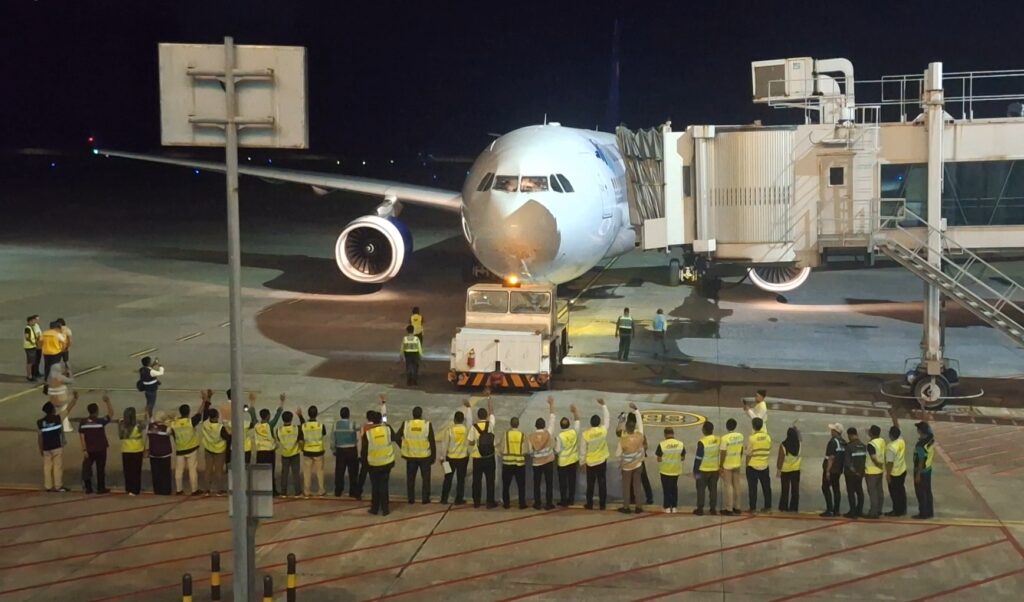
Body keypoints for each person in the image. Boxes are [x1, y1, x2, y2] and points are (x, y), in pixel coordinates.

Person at [38, 392, 78, 492]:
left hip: (46, 447)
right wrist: (75, 399)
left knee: (47, 467)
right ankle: (58, 485)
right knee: (57, 467)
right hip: (56, 446)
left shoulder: (40, 422)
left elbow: (39, 437)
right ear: (52, 410)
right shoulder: (57, 418)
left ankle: (48, 486)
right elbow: (68, 409)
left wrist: (40, 448)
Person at [170, 391, 209, 495]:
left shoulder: (174, 423)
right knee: (192, 470)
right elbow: (199, 414)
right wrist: (204, 401)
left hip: (180, 449)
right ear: (188, 412)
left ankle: (179, 490)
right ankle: (194, 489)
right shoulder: (190, 422)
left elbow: (173, 434)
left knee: (179, 471)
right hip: (191, 449)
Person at [397, 406, 436, 504]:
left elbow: (396, 437)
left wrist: (403, 446)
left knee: (410, 479)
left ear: (413, 414)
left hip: (410, 456)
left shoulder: (406, 424)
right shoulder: (427, 425)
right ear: (421, 414)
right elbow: (432, 442)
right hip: (424, 456)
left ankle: (411, 499)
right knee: (426, 479)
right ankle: (425, 498)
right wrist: (433, 456)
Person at [362, 410, 397, 516]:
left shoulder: (368, 433)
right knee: (384, 486)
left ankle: (375, 508)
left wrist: (364, 464)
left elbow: (364, 450)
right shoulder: (387, 429)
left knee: (375, 486)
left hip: (373, 464)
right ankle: (385, 509)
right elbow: (395, 438)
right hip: (387, 462)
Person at [579, 398, 611, 510]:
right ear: (599, 423)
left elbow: (583, 450)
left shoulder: (586, 434)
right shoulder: (603, 430)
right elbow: (607, 420)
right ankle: (602, 504)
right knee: (602, 483)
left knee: (590, 484)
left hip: (591, 462)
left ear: (591, 423)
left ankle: (590, 503)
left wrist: (582, 462)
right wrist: (604, 406)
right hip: (602, 460)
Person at [79, 394, 114, 494]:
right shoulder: (100, 421)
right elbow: (111, 414)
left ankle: (88, 488)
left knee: (87, 468)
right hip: (101, 448)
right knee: (100, 469)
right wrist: (107, 401)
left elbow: (81, 436)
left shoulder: (83, 422)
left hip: (89, 449)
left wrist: (84, 449)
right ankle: (101, 487)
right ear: (97, 411)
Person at [468, 397, 498, 508]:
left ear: (478, 416)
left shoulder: (473, 427)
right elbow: (492, 413)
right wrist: (489, 399)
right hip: (489, 456)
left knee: (477, 480)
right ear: (486, 416)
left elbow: (470, 442)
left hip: (477, 457)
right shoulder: (490, 425)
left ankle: (476, 502)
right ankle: (490, 502)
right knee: (490, 480)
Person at [616, 404, 646, 514]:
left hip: (627, 467)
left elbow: (618, 453)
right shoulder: (639, 435)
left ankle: (626, 507)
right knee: (637, 486)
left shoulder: (623, 439)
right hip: (638, 464)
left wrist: (621, 420)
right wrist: (637, 410)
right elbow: (641, 424)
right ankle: (638, 507)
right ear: (634, 428)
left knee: (626, 487)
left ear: (626, 428)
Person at [528, 397, 557, 510]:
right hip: (548, 462)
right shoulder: (548, 433)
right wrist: (551, 404)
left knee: (537, 484)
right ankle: (549, 503)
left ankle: (537, 503)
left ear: (535, 426)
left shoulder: (531, 437)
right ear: (544, 426)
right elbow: (553, 419)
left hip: (536, 464)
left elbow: (530, 452)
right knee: (549, 484)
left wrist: (535, 456)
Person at [255, 394, 286, 496]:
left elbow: (251, 413)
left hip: (260, 451)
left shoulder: (256, 424)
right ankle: (272, 490)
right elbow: (278, 414)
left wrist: (252, 401)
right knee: (270, 472)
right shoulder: (270, 425)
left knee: (260, 472)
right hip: (269, 452)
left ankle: (260, 490)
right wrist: (282, 401)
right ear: (268, 416)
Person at [439, 405, 470, 505]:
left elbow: (445, 445)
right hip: (462, 458)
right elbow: (470, 421)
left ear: (454, 419)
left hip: (450, 459)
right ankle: (459, 499)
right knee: (461, 480)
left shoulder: (449, 430)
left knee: (448, 478)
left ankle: (444, 498)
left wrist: (442, 458)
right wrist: (469, 408)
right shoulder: (466, 430)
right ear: (462, 420)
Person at [298, 405, 327, 498]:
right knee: (320, 472)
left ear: (308, 414)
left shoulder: (304, 426)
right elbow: (323, 433)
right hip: (318, 451)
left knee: (307, 473)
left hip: (307, 451)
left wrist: (302, 448)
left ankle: (306, 491)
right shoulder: (320, 426)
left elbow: (301, 438)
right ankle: (321, 490)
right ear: (316, 414)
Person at [555, 404, 581, 507]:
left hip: (563, 462)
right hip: (573, 460)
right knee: (572, 481)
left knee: (563, 483)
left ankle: (563, 500)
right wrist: (575, 412)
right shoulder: (574, 432)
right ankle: (571, 499)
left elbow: (557, 450)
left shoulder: (559, 436)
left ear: (560, 425)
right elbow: (577, 422)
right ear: (569, 425)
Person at [201, 405, 230, 495]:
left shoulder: (205, 423)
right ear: (217, 416)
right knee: (218, 471)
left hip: (208, 449)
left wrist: (207, 400)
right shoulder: (220, 427)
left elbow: (204, 414)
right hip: (219, 451)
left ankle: (206, 490)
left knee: (208, 470)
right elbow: (227, 437)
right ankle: (219, 490)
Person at [332, 404, 360, 498]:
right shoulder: (353, 423)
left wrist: (334, 449)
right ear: (348, 414)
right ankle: (353, 491)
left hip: (340, 450)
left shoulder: (335, 424)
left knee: (339, 472)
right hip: (351, 450)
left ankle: (338, 491)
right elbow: (360, 431)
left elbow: (333, 438)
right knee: (353, 472)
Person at [500, 417, 528, 509]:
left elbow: (501, 449)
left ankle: (506, 504)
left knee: (506, 485)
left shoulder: (506, 435)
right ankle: (522, 503)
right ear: (518, 424)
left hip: (507, 463)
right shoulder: (522, 435)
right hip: (519, 464)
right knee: (521, 485)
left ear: (510, 424)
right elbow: (525, 450)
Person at [693, 421, 720, 515]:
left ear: (703, 430)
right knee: (713, 490)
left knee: (700, 489)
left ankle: (700, 509)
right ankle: (713, 509)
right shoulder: (718, 439)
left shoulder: (702, 442)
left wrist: (695, 470)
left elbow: (698, 458)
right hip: (715, 469)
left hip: (703, 470)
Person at [746, 417, 772, 512]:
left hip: (753, 466)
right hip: (764, 465)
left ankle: (752, 507)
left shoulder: (752, 438)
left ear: (753, 426)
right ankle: (768, 506)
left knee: (753, 488)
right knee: (766, 488)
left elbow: (748, 453)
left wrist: (746, 465)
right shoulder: (767, 437)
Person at [655, 427, 685, 513]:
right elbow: (682, 458)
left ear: (665, 434)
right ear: (673, 433)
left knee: (666, 489)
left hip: (665, 470)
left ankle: (667, 507)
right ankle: (674, 506)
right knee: (674, 488)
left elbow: (659, 459)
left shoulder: (662, 445)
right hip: (675, 470)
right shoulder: (680, 444)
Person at [719, 418, 745, 515]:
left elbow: (723, 453)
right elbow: (741, 450)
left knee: (728, 485)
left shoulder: (725, 438)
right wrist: (739, 458)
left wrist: (721, 465)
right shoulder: (740, 436)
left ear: (727, 426)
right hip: (737, 463)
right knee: (737, 485)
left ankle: (729, 508)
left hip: (727, 464)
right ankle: (737, 507)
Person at [885, 410, 908, 517]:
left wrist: (888, 475)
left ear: (890, 435)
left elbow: (889, 463)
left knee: (895, 493)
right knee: (901, 491)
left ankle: (896, 510)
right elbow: (897, 427)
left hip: (895, 473)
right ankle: (903, 509)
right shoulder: (901, 440)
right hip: (902, 470)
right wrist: (894, 417)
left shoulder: (891, 447)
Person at [820, 423, 846, 517]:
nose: (831, 431)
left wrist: (827, 471)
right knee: (836, 489)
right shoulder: (843, 442)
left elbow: (831, 457)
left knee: (825, 487)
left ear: (836, 432)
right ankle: (836, 510)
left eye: (832, 430)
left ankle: (830, 509)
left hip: (831, 469)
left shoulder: (833, 442)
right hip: (838, 469)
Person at [118, 406, 145, 495]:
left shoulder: (122, 425)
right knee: (136, 471)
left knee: (128, 471)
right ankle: (135, 489)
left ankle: (129, 488)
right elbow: (145, 424)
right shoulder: (138, 425)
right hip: (137, 450)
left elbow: (120, 436)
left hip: (126, 450)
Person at [912, 420, 935, 519]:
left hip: (921, 471)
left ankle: (923, 513)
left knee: (921, 493)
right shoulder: (930, 439)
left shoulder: (920, 445)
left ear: (920, 431)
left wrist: (917, 474)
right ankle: (929, 512)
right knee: (928, 491)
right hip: (928, 469)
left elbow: (921, 459)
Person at [147, 412, 174, 495]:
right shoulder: (166, 428)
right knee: (165, 473)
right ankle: (165, 490)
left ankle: (157, 490)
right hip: (164, 454)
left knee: (156, 473)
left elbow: (151, 421)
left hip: (153, 454)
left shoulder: (150, 427)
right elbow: (172, 428)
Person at [277, 410, 302, 497]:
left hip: (285, 454)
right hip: (295, 453)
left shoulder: (279, 430)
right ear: (291, 419)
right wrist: (300, 416)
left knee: (284, 474)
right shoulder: (296, 428)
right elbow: (303, 426)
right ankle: (298, 492)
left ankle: (283, 492)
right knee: (296, 474)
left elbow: (279, 439)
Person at [777, 425, 802, 512]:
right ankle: (794, 507)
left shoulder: (783, 445)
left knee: (785, 490)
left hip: (785, 470)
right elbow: (800, 437)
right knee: (795, 490)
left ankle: (783, 507)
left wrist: (778, 470)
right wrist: (797, 430)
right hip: (796, 470)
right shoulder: (799, 443)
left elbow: (780, 459)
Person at [864, 424, 886, 519]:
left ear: (871, 433)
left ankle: (873, 512)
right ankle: (879, 509)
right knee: (879, 491)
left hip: (871, 471)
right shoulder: (882, 441)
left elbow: (873, 458)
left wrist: (877, 464)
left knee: (873, 493)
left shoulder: (871, 445)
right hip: (880, 471)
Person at [844, 427, 866, 518]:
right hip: (860, 473)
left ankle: (852, 512)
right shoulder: (862, 445)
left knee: (851, 492)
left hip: (851, 474)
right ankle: (859, 510)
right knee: (859, 491)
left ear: (849, 435)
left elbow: (848, 463)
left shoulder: (849, 446)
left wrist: (854, 471)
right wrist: (860, 472)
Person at [47, 361, 74, 433]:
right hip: (61, 398)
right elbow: (71, 381)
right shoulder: (60, 377)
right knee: (64, 411)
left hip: (52, 399)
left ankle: (52, 426)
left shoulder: (49, 378)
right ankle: (65, 427)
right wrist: (69, 372)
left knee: (54, 412)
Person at [39, 320, 65, 386]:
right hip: (55, 352)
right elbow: (63, 342)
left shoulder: (44, 333)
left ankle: (45, 379)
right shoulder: (57, 334)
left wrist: (42, 347)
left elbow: (40, 341)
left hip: (46, 352)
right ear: (56, 327)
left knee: (47, 366)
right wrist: (62, 349)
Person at [24, 314, 42, 381]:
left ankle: (32, 374)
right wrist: (34, 342)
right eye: (34, 320)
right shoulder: (27, 328)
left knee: (33, 361)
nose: (35, 322)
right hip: (29, 347)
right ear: (30, 321)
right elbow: (27, 337)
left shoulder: (32, 327)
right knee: (30, 362)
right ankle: (29, 376)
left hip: (33, 346)